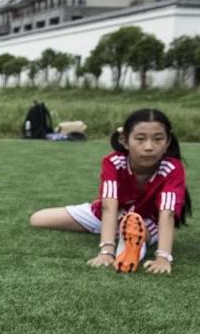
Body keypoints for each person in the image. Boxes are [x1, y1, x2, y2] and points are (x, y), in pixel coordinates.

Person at [30, 109, 190, 274]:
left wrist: (163, 258)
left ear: (167, 142)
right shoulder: (113, 162)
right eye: (140, 139)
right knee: (38, 219)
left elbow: (167, 213)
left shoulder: (172, 168)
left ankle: (132, 242)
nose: (149, 147)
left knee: (137, 232)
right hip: (108, 214)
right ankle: (118, 232)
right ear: (125, 141)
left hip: (147, 221)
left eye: (158, 139)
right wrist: (106, 251)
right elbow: (108, 205)